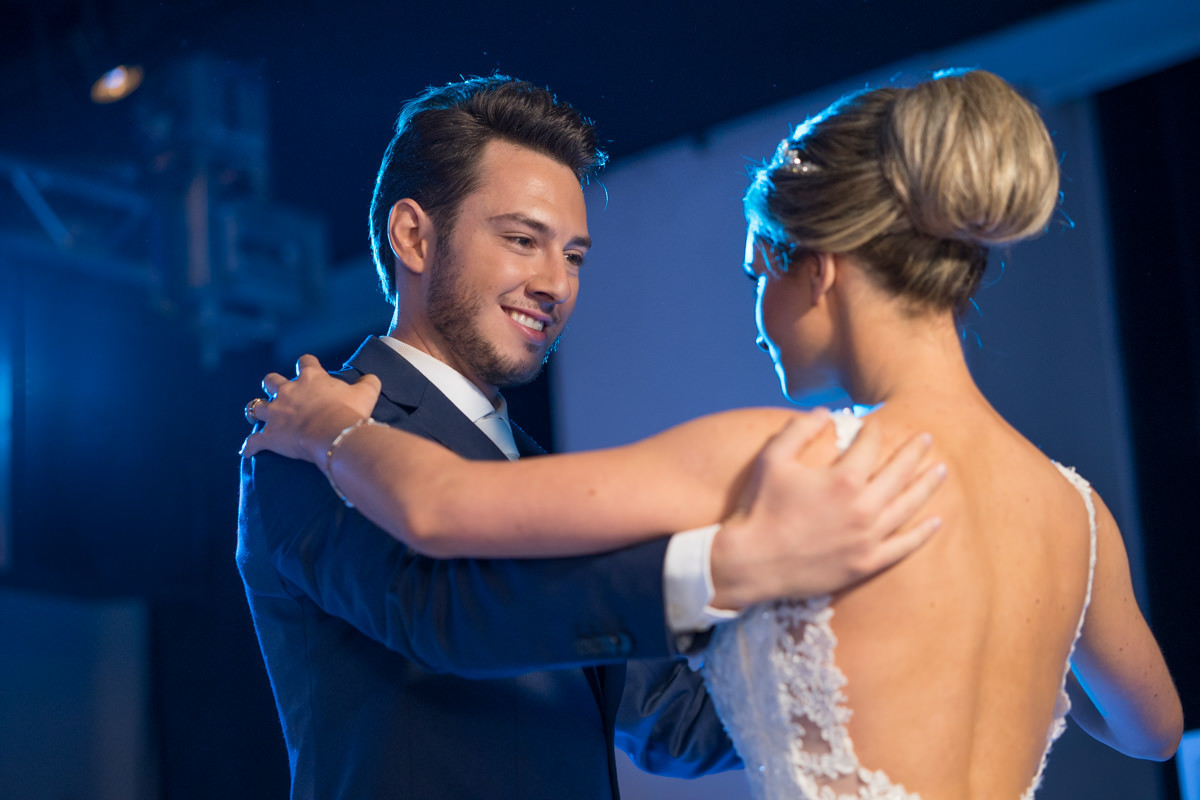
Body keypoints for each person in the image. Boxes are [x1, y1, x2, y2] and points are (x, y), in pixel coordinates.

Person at [244, 70, 1182, 800]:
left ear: (816, 268)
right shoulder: (290, 444)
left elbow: (666, 715)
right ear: (414, 236)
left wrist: (336, 430)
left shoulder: (768, 456)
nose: (557, 284)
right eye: (523, 240)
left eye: (574, 255)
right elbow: (446, 615)